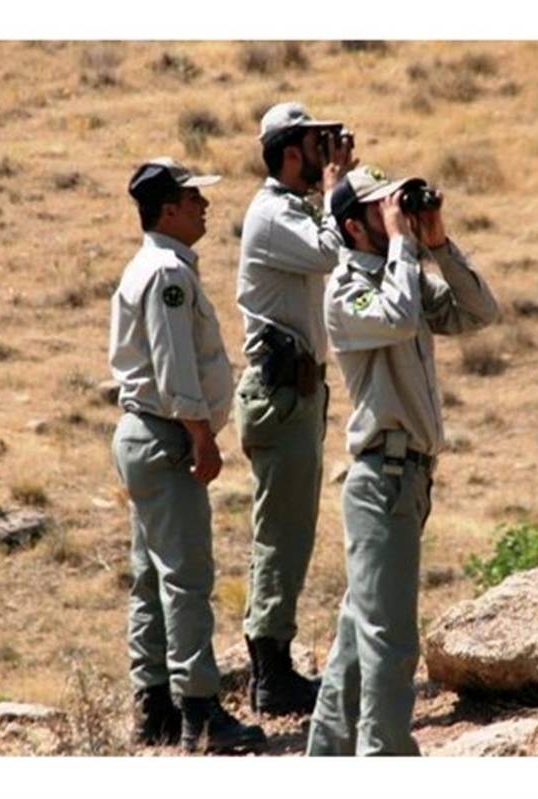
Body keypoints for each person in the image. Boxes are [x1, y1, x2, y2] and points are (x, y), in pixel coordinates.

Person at [306, 166, 500, 756]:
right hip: (381, 479)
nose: (395, 214)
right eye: (380, 209)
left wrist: (436, 243)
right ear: (353, 226)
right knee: (390, 644)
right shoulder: (347, 290)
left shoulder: (404, 276)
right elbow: (392, 317)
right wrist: (402, 247)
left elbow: (477, 312)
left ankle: (328, 757)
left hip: (407, 479)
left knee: (356, 638)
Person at [108, 156, 266, 755]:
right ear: (168, 209)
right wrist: (202, 435)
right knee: (187, 577)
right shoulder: (168, 273)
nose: (204, 206)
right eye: (193, 197)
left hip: (142, 433)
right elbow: (175, 368)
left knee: (151, 577)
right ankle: (200, 713)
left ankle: (155, 712)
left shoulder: (148, 265)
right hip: (166, 434)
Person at [234, 101, 356, 716]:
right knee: (282, 535)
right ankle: (271, 674)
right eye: (315, 144)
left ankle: (272, 664)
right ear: (289, 152)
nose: (324, 153)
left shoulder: (291, 212)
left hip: (295, 395)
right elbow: (332, 251)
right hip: (281, 396)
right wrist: (337, 190)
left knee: (291, 531)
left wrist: (335, 188)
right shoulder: (273, 216)